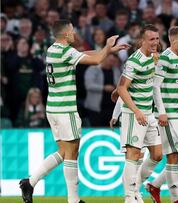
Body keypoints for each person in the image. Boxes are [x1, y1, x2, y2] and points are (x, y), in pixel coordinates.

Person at [19, 19, 130, 203]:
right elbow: (95, 59)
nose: (74, 32)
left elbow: (84, 54)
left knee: (65, 151)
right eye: (72, 30)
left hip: (54, 108)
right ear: (65, 34)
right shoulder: (65, 51)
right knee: (72, 153)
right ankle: (73, 199)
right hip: (65, 109)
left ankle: (30, 182)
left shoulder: (53, 49)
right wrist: (107, 46)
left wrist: (108, 50)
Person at [146, 26, 178, 203]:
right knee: (173, 155)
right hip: (167, 116)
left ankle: (155, 185)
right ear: (173, 40)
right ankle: (176, 198)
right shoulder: (165, 58)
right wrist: (162, 112)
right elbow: (155, 86)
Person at [117, 24, 162, 203]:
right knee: (133, 154)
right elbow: (122, 87)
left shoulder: (153, 58)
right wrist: (136, 111)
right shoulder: (134, 60)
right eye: (151, 39)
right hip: (134, 114)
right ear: (142, 41)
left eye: (157, 39)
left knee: (157, 154)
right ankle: (130, 197)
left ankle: (136, 186)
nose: (155, 43)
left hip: (149, 114)